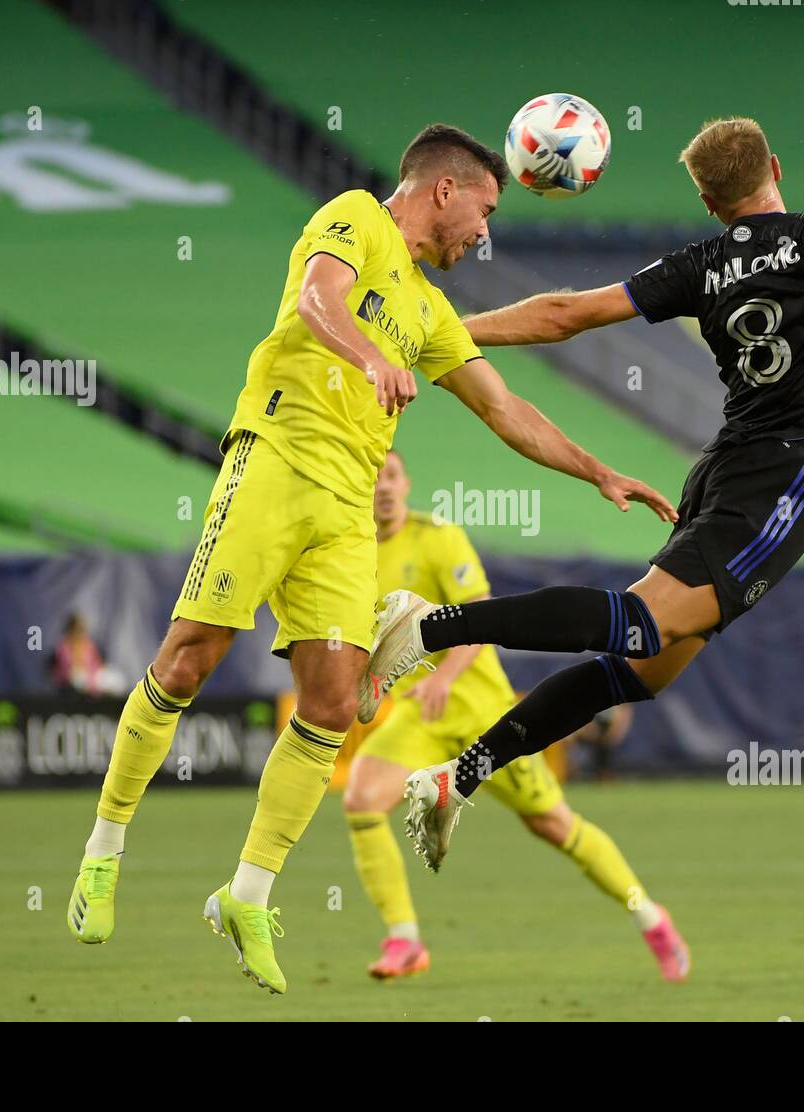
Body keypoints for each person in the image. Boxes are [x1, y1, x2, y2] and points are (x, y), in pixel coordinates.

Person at [64, 123, 676, 994]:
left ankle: (246, 894)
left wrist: (599, 472)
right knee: (190, 658)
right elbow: (319, 299)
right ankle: (104, 848)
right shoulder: (355, 217)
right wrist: (367, 356)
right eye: (486, 211)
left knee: (332, 703)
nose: (484, 234)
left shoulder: (427, 310)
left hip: (348, 509)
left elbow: (506, 409)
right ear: (444, 190)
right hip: (276, 457)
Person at [357, 116, 804, 871]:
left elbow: (566, 313)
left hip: (724, 465)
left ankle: (454, 780)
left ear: (710, 203)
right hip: (786, 474)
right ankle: (429, 628)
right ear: (774, 167)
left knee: (639, 670)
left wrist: (437, 330)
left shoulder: (701, 263)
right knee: (641, 626)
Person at [343, 450, 688, 980]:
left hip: (483, 714)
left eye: (390, 476)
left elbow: (475, 613)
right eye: (373, 480)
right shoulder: (354, 554)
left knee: (554, 825)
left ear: (406, 482)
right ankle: (405, 939)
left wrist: (444, 677)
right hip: (420, 718)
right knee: (362, 798)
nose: (383, 489)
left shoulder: (437, 537)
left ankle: (650, 917)